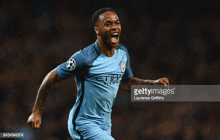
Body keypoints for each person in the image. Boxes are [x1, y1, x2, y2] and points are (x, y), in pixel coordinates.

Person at [27, 7, 169, 140]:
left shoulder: (122, 53)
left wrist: (152, 83)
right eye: (108, 24)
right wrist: (37, 112)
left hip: (105, 124)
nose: (114, 27)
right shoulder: (84, 58)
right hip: (83, 123)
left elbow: (125, 83)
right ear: (97, 30)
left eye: (117, 23)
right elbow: (51, 77)